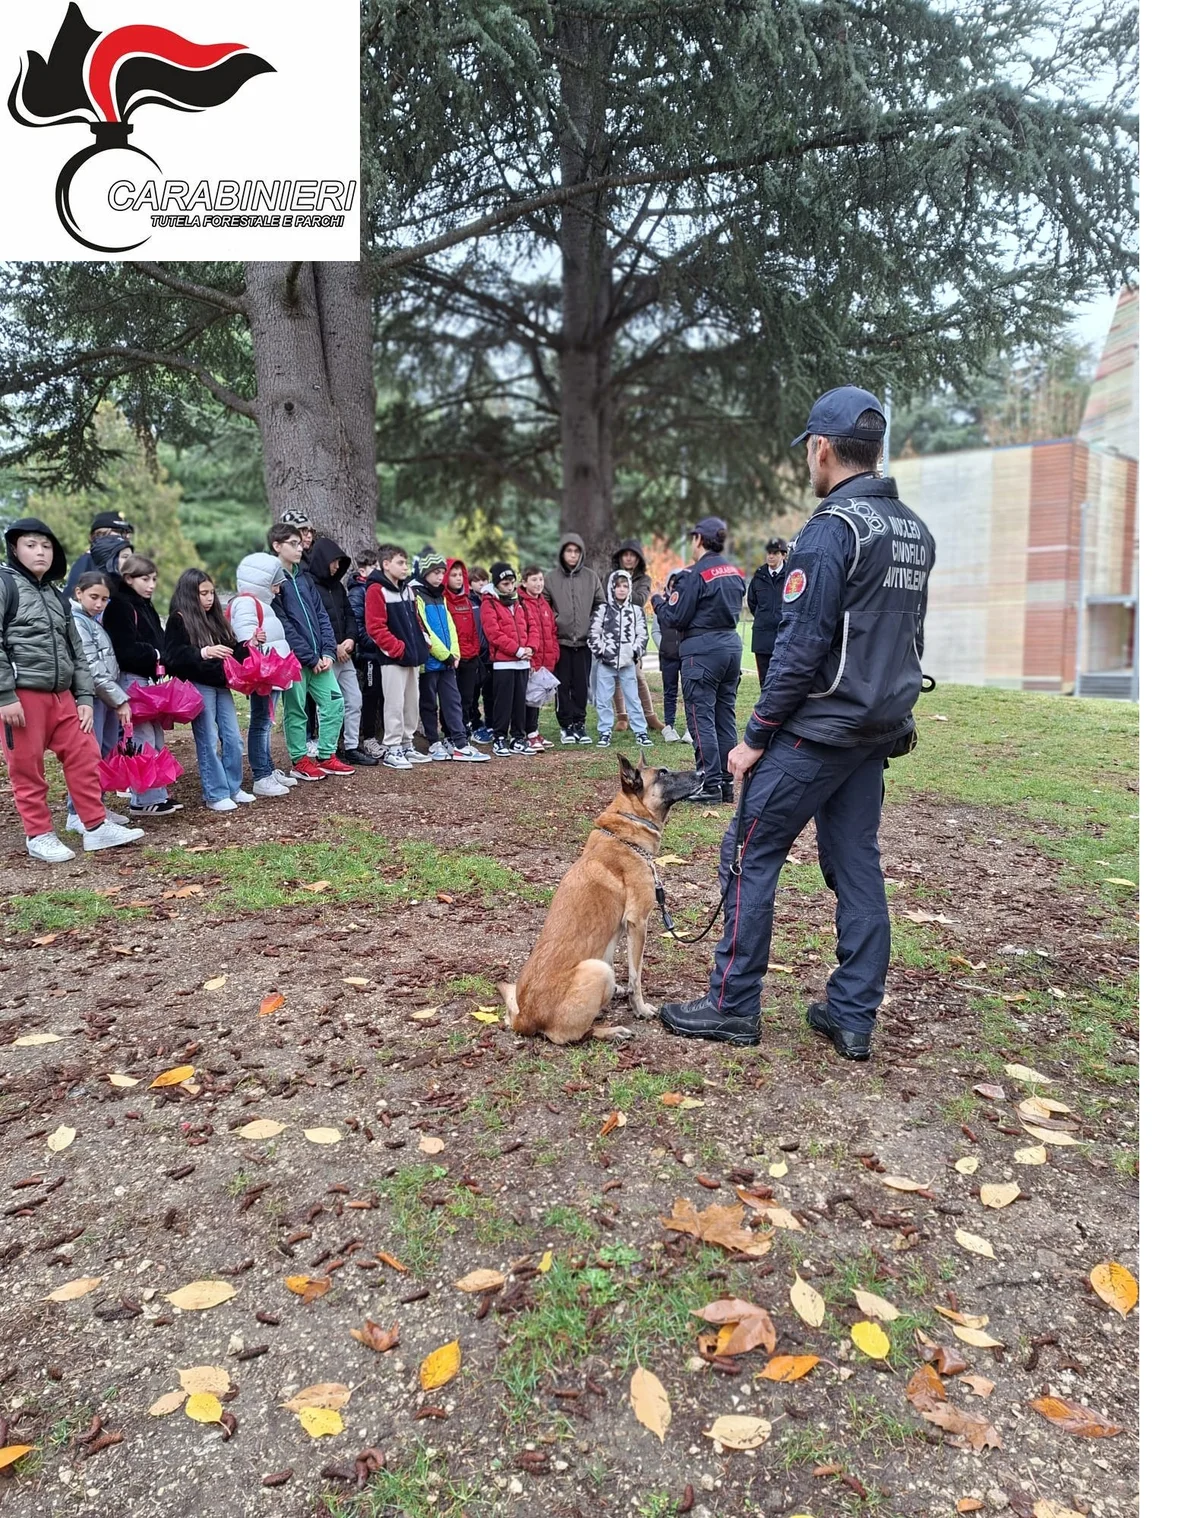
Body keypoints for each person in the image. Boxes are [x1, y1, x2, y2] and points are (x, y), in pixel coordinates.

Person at [659, 386, 936, 1059]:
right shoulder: (913, 530)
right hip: (876, 731)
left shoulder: (831, 529)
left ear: (821, 447)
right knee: (856, 865)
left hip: (817, 731)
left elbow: (801, 646)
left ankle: (731, 1005)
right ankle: (851, 1013)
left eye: (809, 452)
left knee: (748, 852)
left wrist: (752, 738)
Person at [1, 519, 144, 861]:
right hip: (21, 695)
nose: (40, 552)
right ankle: (39, 835)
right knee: (27, 767)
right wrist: (5, 695)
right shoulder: (5, 584)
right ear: (15, 548)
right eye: (31, 544)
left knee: (85, 754)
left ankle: (94, 826)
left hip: (63, 695)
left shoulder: (54, 594)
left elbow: (76, 650)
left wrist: (83, 698)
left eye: (46, 546)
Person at [657, 517, 745, 804]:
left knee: (701, 719)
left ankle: (708, 783)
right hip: (731, 647)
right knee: (724, 717)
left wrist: (659, 602)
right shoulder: (733, 571)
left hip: (702, 652)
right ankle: (726, 783)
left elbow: (675, 617)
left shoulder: (694, 575)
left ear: (698, 539)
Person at [164, 568, 256, 813]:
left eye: (211, 593)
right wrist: (203, 653)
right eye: (203, 593)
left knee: (234, 738)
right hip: (198, 684)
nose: (209, 598)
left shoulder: (215, 618)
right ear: (189, 594)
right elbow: (172, 657)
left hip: (220, 684)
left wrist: (250, 645)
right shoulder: (179, 619)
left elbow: (232, 651)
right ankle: (215, 793)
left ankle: (233, 787)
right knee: (208, 739)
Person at [268, 522, 352, 781]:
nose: (300, 547)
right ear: (276, 546)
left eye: (299, 543)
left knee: (335, 701)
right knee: (296, 710)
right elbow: (282, 624)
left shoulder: (304, 577)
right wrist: (309, 656)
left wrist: (327, 651)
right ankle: (299, 760)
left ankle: (326, 755)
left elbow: (321, 615)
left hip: (320, 658)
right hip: (295, 660)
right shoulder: (272, 582)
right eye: (293, 544)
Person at [103, 553, 182, 818]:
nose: (151, 585)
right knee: (140, 737)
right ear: (129, 578)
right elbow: (124, 649)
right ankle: (143, 798)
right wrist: (154, 655)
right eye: (145, 579)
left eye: (154, 580)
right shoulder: (121, 606)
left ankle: (156, 794)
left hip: (150, 680)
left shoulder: (143, 605)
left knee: (156, 736)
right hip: (132, 678)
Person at [65, 571, 132, 832]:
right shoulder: (78, 622)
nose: (99, 604)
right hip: (91, 697)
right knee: (88, 754)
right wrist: (119, 700)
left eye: (104, 599)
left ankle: (96, 807)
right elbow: (92, 668)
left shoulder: (91, 620)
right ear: (78, 593)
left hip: (103, 696)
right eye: (94, 597)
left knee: (102, 751)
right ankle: (77, 812)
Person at [229, 553, 298, 798]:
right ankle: (261, 774)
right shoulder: (247, 603)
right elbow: (246, 640)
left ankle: (267, 768)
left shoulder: (260, 604)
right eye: (275, 583)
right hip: (263, 675)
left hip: (272, 673)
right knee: (261, 722)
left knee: (266, 722)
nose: (278, 589)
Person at [411, 553, 488, 762]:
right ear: (426, 573)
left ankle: (460, 743)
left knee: (453, 701)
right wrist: (444, 655)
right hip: (429, 662)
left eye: (441, 573)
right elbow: (424, 629)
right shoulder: (417, 595)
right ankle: (434, 742)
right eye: (436, 573)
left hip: (448, 661)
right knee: (429, 703)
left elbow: (451, 626)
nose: (439, 577)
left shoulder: (441, 597)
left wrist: (454, 653)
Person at [309, 537, 376, 766]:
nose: (337, 567)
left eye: (340, 562)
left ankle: (350, 747)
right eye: (334, 562)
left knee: (354, 700)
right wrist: (332, 647)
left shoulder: (338, 587)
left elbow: (349, 616)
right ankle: (327, 748)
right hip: (326, 657)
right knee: (328, 705)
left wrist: (350, 640)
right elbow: (313, 622)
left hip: (345, 655)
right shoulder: (309, 586)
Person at [364, 545, 430, 770]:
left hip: (412, 655)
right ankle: (392, 748)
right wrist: (398, 648)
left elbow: (417, 620)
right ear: (386, 564)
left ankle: (406, 743)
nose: (405, 567)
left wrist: (424, 641)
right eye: (400, 563)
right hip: (393, 658)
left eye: (406, 562)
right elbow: (375, 627)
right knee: (394, 703)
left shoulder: (408, 590)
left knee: (411, 702)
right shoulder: (376, 590)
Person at [544, 533, 602, 745]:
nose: (572, 555)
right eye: (569, 551)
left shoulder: (591, 577)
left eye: (576, 551)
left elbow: (600, 604)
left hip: (584, 642)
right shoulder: (550, 579)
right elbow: (544, 608)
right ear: (562, 553)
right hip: (561, 641)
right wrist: (556, 621)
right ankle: (566, 725)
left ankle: (580, 723)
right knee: (563, 684)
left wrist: (592, 624)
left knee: (581, 684)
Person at [588, 569, 652, 750]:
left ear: (630, 588)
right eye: (618, 586)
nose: (622, 590)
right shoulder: (602, 610)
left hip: (628, 663)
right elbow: (593, 633)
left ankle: (641, 731)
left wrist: (634, 653)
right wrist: (601, 652)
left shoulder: (636, 611)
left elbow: (642, 635)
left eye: (625, 586)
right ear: (611, 588)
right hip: (605, 663)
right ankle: (604, 732)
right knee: (603, 698)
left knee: (633, 697)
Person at [479, 563, 534, 757]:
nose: (510, 587)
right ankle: (499, 736)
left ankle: (518, 737)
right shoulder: (489, 603)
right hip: (504, 661)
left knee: (520, 701)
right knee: (503, 701)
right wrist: (517, 650)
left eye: (512, 583)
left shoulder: (520, 602)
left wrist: (530, 648)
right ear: (497, 584)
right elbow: (493, 633)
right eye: (505, 584)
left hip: (523, 661)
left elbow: (531, 626)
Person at [608, 538, 662, 733]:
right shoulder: (610, 577)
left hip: (634, 634)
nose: (629, 559)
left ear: (638, 559)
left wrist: (623, 588)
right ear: (620, 557)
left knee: (638, 676)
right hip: (613, 631)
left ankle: (650, 716)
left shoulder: (643, 580)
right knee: (616, 677)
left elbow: (639, 600)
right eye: (626, 555)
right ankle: (622, 717)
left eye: (633, 555)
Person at [444, 558, 488, 747]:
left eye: (460, 575)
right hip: (453, 657)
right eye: (453, 575)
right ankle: (449, 734)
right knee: (451, 699)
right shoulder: (444, 600)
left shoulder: (467, 601)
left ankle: (462, 731)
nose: (458, 579)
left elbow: (473, 629)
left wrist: (475, 650)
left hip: (471, 656)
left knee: (468, 699)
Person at [347, 550, 384, 758]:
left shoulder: (379, 590)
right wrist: (376, 644)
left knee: (383, 695)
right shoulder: (358, 593)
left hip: (383, 652)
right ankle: (368, 738)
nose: (379, 572)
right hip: (369, 653)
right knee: (371, 695)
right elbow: (359, 626)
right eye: (374, 568)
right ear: (362, 570)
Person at [518, 565, 559, 751]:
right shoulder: (522, 603)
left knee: (538, 697)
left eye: (541, 579)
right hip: (530, 660)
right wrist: (531, 660)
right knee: (528, 698)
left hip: (546, 659)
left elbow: (552, 630)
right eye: (533, 580)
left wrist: (554, 652)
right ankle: (528, 733)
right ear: (524, 582)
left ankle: (534, 731)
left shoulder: (544, 604)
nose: (538, 583)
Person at [650, 569, 690, 746]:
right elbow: (656, 631)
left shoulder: (688, 604)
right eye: (672, 582)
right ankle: (669, 725)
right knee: (670, 692)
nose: (674, 585)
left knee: (690, 692)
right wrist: (664, 646)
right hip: (668, 657)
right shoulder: (663, 606)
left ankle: (690, 728)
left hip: (687, 656)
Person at [747, 537, 789, 685]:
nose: (771, 556)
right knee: (764, 679)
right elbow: (752, 602)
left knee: (783, 679)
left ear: (783, 555)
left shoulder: (792, 576)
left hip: (784, 635)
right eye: (769, 553)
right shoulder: (759, 576)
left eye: (775, 553)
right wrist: (763, 617)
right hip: (762, 636)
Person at [65, 510, 135, 596]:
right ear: (101, 534)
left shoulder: (122, 561)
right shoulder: (86, 561)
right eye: (120, 532)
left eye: (127, 533)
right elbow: (71, 599)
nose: (126, 537)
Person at [467, 566, 495, 741]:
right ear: (470, 584)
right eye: (477, 580)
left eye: (484, 580)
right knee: (472, 693)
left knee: (491, 692)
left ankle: (491, 723)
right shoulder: (468, 602)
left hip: (491, 653)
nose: (482, 583)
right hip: (475, 654)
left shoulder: (492, 601)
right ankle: (475, 724)